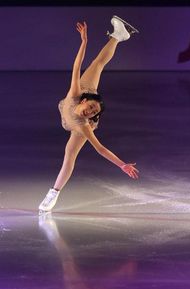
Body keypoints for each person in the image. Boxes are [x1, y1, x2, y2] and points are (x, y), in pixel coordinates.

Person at [39, 15, 139, 214]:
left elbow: (100, 148)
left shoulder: (84, 124)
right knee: (97, 64)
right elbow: (77, 66)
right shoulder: (78, 93)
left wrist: (122, 165)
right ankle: (118, 36)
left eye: (93, 112)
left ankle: (54, 192)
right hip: (86, 91)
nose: (91, 111)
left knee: (69, 155)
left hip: (75, 125)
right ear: (85, 100)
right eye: (92, 107)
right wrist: (84, 42)